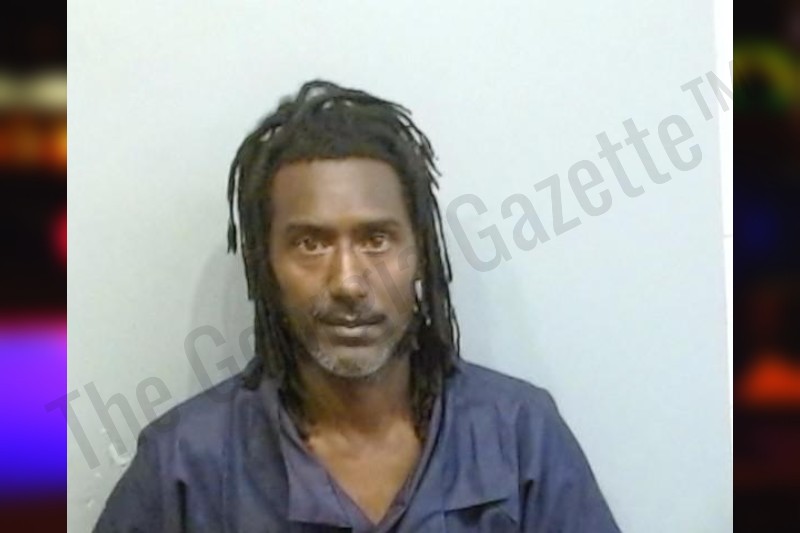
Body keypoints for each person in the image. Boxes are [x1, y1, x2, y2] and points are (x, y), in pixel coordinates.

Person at [94, 80, 620, 532]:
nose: (348, 282)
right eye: (310, 244)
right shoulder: (184, 465)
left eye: (376, 239)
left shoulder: (520, 437)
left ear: (421, 252)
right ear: (265, 264)